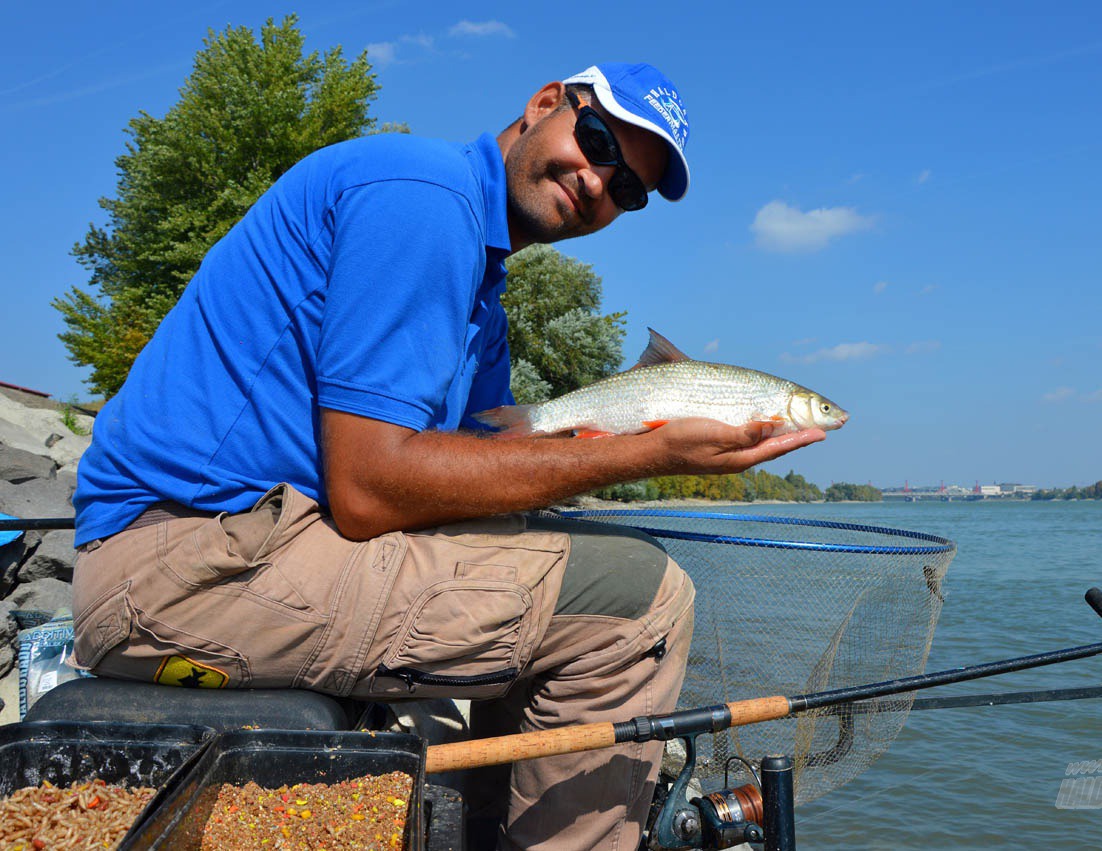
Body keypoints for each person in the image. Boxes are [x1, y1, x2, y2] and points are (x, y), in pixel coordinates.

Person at [70, 62, 825, 850]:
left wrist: (608, 433)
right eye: (596, 140)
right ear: (543, 104)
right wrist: (647, 452)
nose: (598, 181)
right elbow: (368, 489)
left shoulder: (480, 298)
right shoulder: (424, 197)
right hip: (184, 566)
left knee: (568, 554)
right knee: (641, 599)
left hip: (245, 546)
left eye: (626, 188)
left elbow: (464, 476)